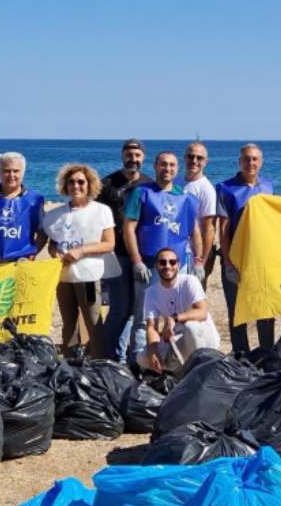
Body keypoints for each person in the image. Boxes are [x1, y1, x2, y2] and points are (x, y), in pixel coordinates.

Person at [124, 151, 203, 366]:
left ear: (177, 169)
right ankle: (141, 362)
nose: (167, 169)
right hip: (149, 264)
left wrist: (199, 261)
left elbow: (195, 231)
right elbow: (129, 228)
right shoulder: (141, 193)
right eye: (163, 164)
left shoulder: (186, 198)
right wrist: (137, 260)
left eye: (171, 165)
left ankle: (177, 361)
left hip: (178, 266)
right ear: (155, 166)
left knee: (180, 316)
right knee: (144, 318)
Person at [42, 163, 118, 359]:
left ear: (89, 184)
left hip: (90, 277)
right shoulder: (55, 215)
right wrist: (54, 252)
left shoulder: (101, 211)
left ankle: (99, 363)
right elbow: (52, 243)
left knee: (93, 321)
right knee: (69, 322)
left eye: (81, 182)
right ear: (65, 186)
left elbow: (109, 244)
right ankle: (69, 363)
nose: (76, 186)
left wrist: (82, 251)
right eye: (71, 182)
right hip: (64, 277)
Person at [98, 139, 154, 361]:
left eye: (138, 155)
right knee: (119, 308)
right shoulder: (107, 184)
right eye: (130, 155)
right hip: (117, 254)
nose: (134, 159)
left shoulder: (149, 184)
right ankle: (110, 357)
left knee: (138, 311)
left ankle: (133, 358)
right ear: (123, 156)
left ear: (143, 158)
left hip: (144, 255)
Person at [217, 143, 275, 354]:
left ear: (261, 162)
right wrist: (228, 262)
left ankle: (267, 352)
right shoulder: (225, 188)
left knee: (265, 309)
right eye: (246, 159)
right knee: (237, 311)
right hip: (235, 259)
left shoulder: (268, 186)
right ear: (240, 161)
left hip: (262, 261)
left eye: (255, 159)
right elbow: (222, 229)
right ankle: (241, 354)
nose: (251, 163)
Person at [136, 247, 221, 375]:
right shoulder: (151, 293)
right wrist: (153, 351)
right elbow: (151, 328)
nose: (167, 266)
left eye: (172, 262)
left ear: (178, 265)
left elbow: (202, 312)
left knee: (190, 327)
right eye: (162, 262)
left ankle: (203, 372)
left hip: (204, 337)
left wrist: (175, 318)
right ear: (156, 266)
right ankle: (177, 374)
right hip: (177, 339)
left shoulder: (189, 281)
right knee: (142, 357)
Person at [180, 141, 218, 286]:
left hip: (194, 254)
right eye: (190, 156)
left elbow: (209, 228)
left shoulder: (206, 189)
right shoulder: (175, 182)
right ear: (184, 158)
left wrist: (201, 261)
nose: (194, 161)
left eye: (199, 158)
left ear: (206, 162)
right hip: (175, 251)